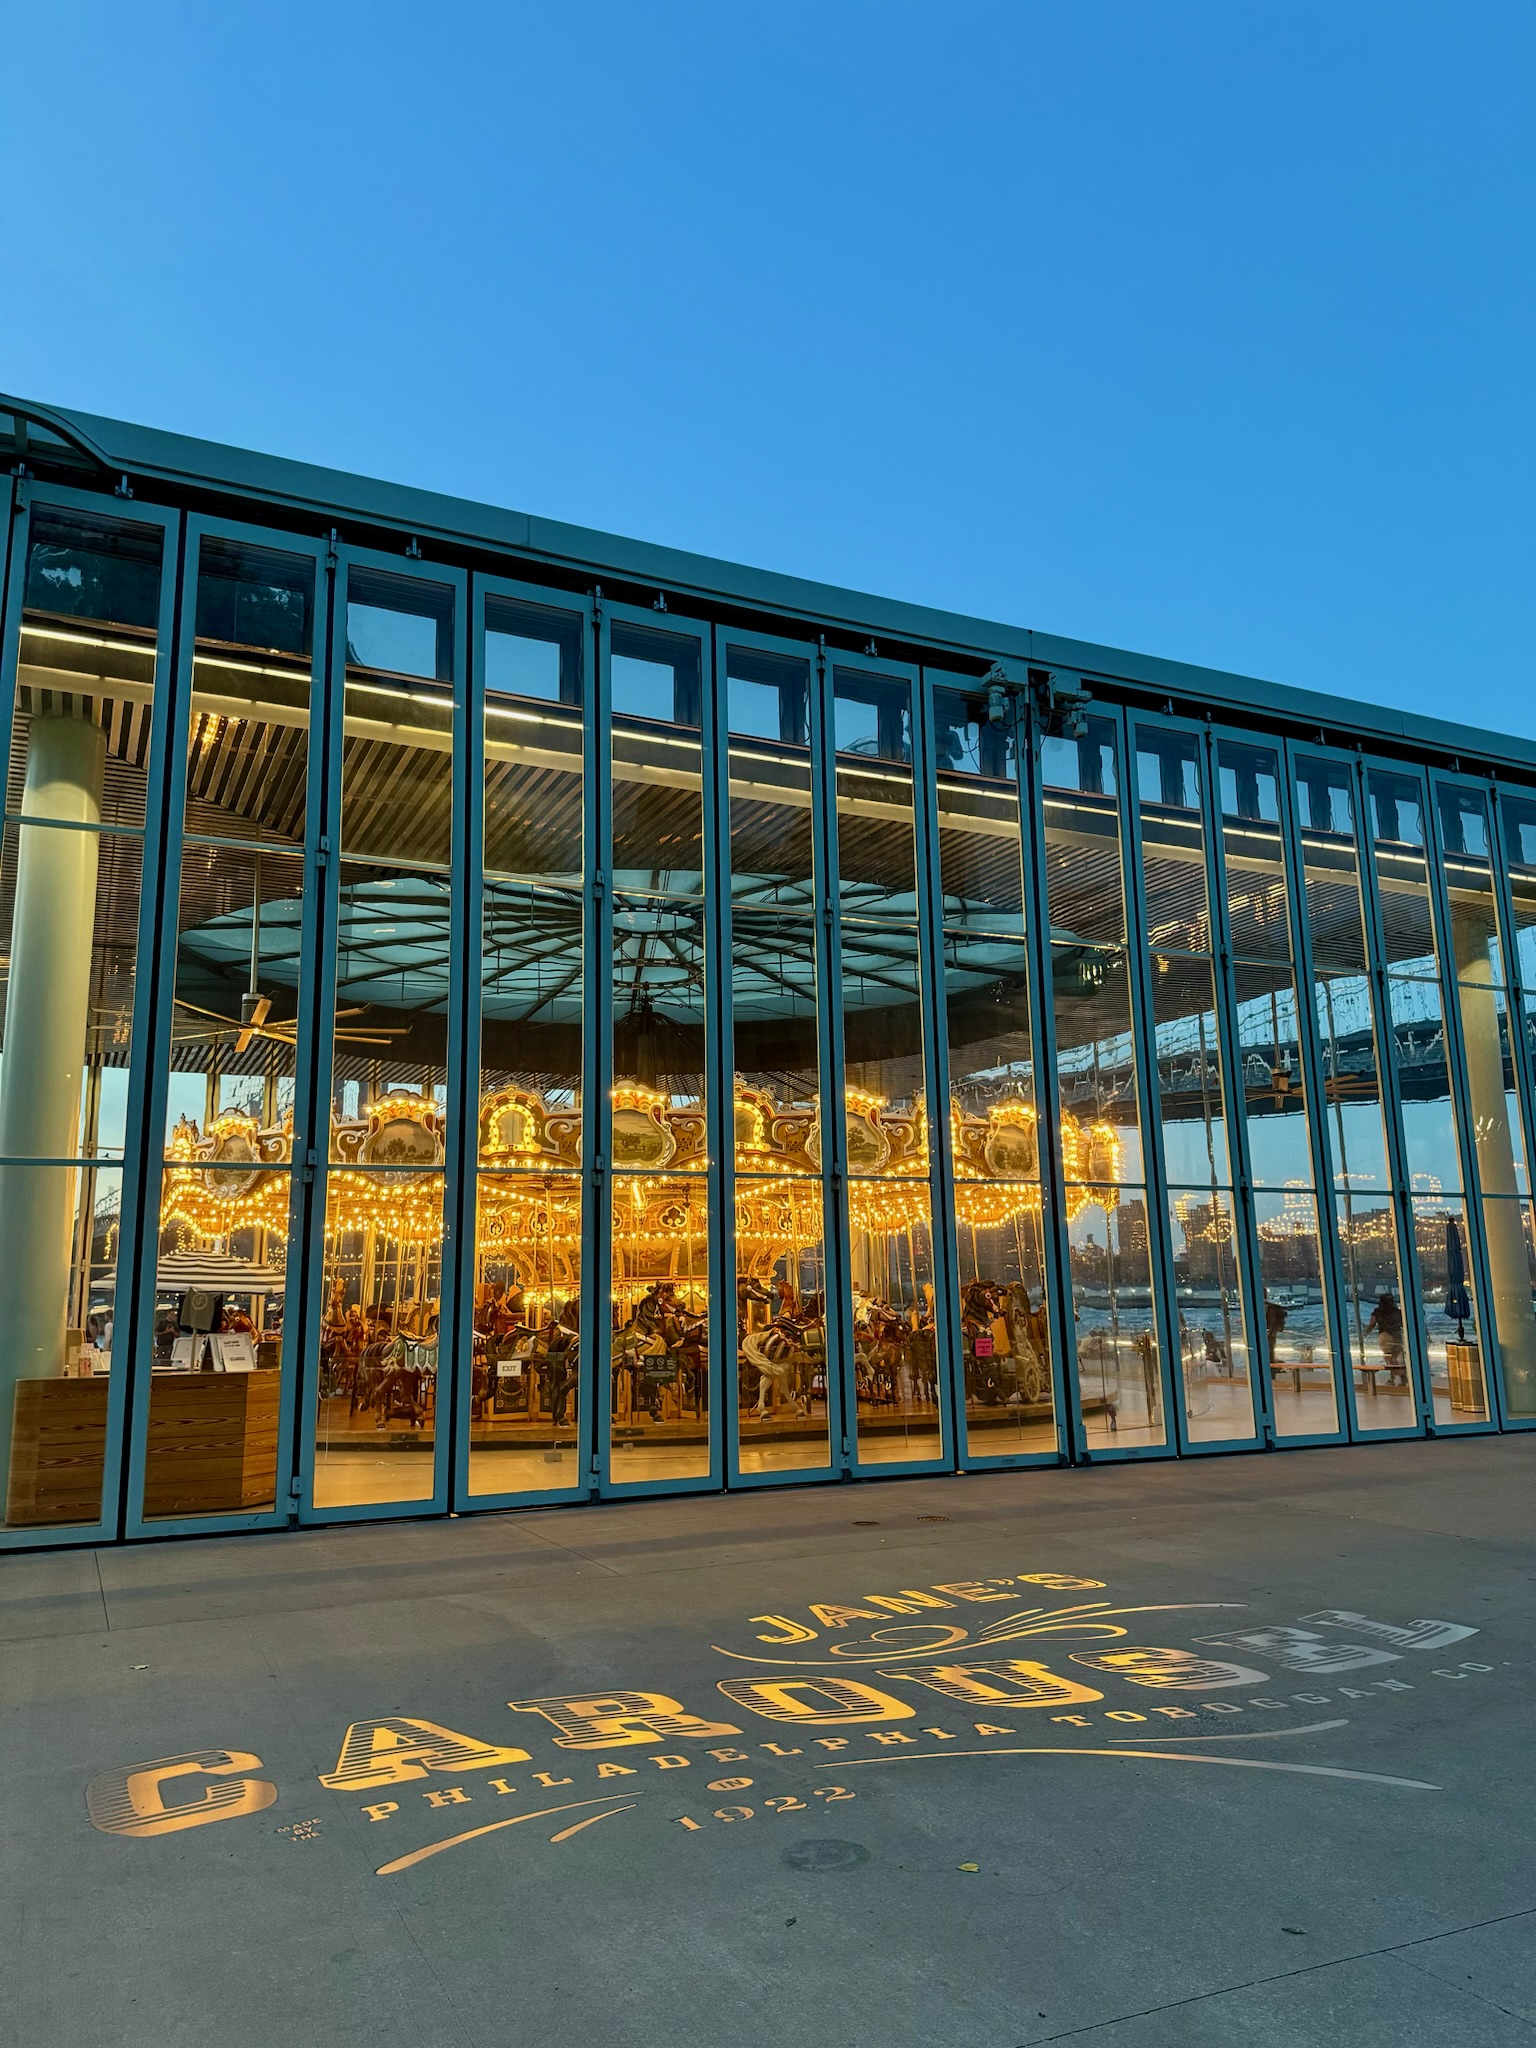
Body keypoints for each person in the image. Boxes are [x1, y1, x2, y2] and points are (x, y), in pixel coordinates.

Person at [1366, 1290, 1406, 1383]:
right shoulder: (1397, 1311)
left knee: (1389, 1359)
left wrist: (1365, 1333)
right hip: (1397, 1334)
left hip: (1385, 1335)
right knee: (1396, 1357)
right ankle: (1394, 1378)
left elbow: (1372, 1324)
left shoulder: (1378, 1311)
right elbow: (1403, 1323)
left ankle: (1400, 1375)